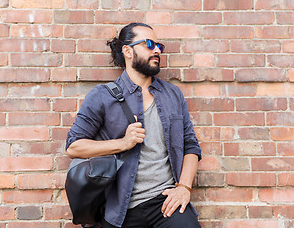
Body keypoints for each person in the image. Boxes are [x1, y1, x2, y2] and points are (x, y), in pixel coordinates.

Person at [66, 22, 202, 228]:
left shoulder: (173, 95)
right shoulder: (102, 96)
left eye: (159, 46)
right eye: (148, 44)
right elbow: (74, 147)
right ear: (128, 51)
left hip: (165, 203)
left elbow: (190, 145)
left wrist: (184, 187)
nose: (157, 50)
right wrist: (123, 143)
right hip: (120, 209)